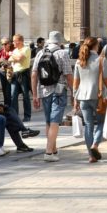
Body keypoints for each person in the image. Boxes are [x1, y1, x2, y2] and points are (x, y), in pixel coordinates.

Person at [31, 30, 74, 162]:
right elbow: (68, 75)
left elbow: (33, 75)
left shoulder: (40, 53)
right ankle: (48, 152)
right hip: (59, 90)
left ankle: (54, 149)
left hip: (44, 91)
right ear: (60, 41)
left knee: (48, 121)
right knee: (55, 121)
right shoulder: (62, 53)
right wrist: (74, 91)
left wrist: (35, 95)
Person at [72, 36, 107, 163]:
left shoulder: (79, 61)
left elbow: (76, 82)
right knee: (100, 123)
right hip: (98, 96)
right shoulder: (101, 60)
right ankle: (95, 145)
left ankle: (91, 155)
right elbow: (106, 79)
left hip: (82, 96)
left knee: (88, 125)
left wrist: (75, 97)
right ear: (96, 46)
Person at [10, 34, 34, 122]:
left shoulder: (26, 49)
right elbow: (9, 59)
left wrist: (13, 56)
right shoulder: (15, 50)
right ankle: (15, 115)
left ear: (19, 41)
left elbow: (20, 58)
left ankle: (27, 116)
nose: (13, 43)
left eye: (14, 41)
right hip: (15, 74)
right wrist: (13, 57)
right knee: (13, 95)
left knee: (25, 95)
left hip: (23, 73)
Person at [0, 39, 14, 109]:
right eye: (2, 44)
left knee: (9, 91)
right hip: (2, 72)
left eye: (5, 44)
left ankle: (9, 107)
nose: (4, 46)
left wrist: (7, 61)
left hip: (10, 72)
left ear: (9, 44)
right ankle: (6, 106)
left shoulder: (13, 52)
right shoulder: (0, 52)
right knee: (4, 91)